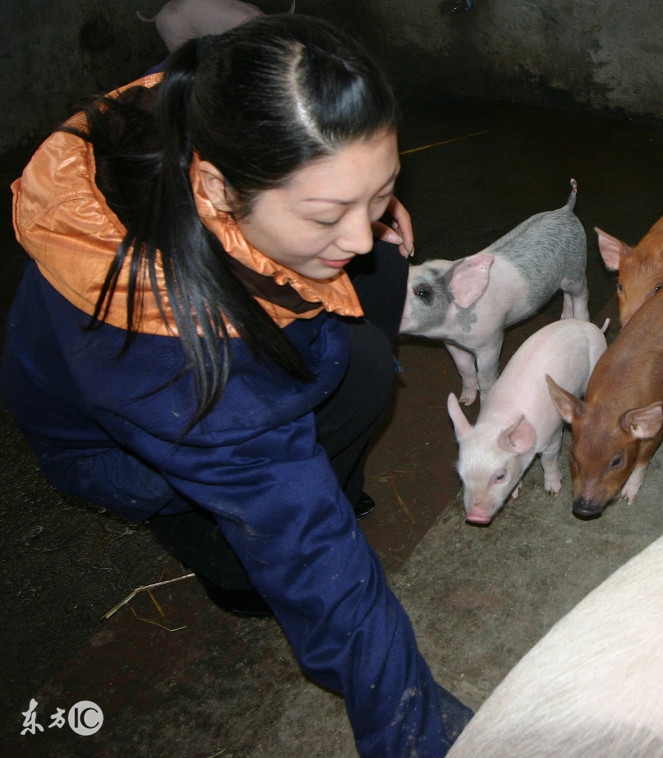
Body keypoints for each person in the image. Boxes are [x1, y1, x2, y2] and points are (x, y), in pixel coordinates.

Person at [1, 15, 471, 756]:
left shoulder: (208, 99)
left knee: (377, 272)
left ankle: (307, 474)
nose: (354, 232)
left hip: (203, 349)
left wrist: (352, 208)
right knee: (351, 390)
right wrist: (421, 736)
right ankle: (228, 559)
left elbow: (248, 45)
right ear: (220, 190)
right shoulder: (173, 357)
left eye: (381, 191)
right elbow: (320, 561)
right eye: (327, 212)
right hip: (127, 446)